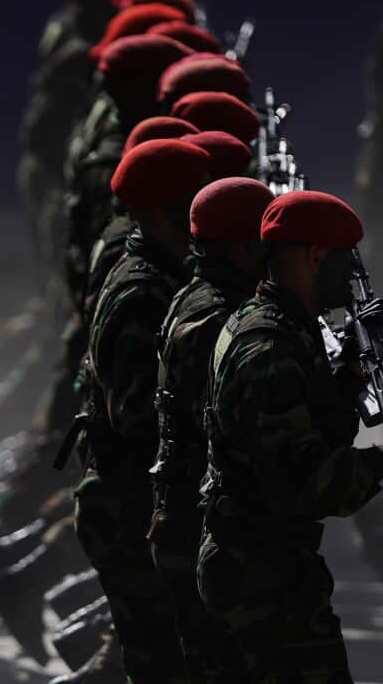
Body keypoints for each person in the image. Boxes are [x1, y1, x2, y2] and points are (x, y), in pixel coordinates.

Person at [199, 190, 383, 682]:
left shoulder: (277, 326)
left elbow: (315, 427)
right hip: (260, 578)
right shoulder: (268, 350)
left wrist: (348, 376)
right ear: (315, 256)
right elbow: (313, 483)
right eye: (346, 258)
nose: (354, 275)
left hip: (263, 563)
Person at [73, 138, 213, 682]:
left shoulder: (162, 274)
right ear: (159, 213)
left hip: (136, 502)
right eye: (188, 210)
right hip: (129, 507)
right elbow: (136, 417)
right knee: (161, 662)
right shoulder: (144, 291)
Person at [151, 177, 271, 682]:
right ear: (244, 247)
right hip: (203, 524)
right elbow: (240, 429)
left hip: (190, 514)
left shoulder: (198, 295)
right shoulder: (217, 318)